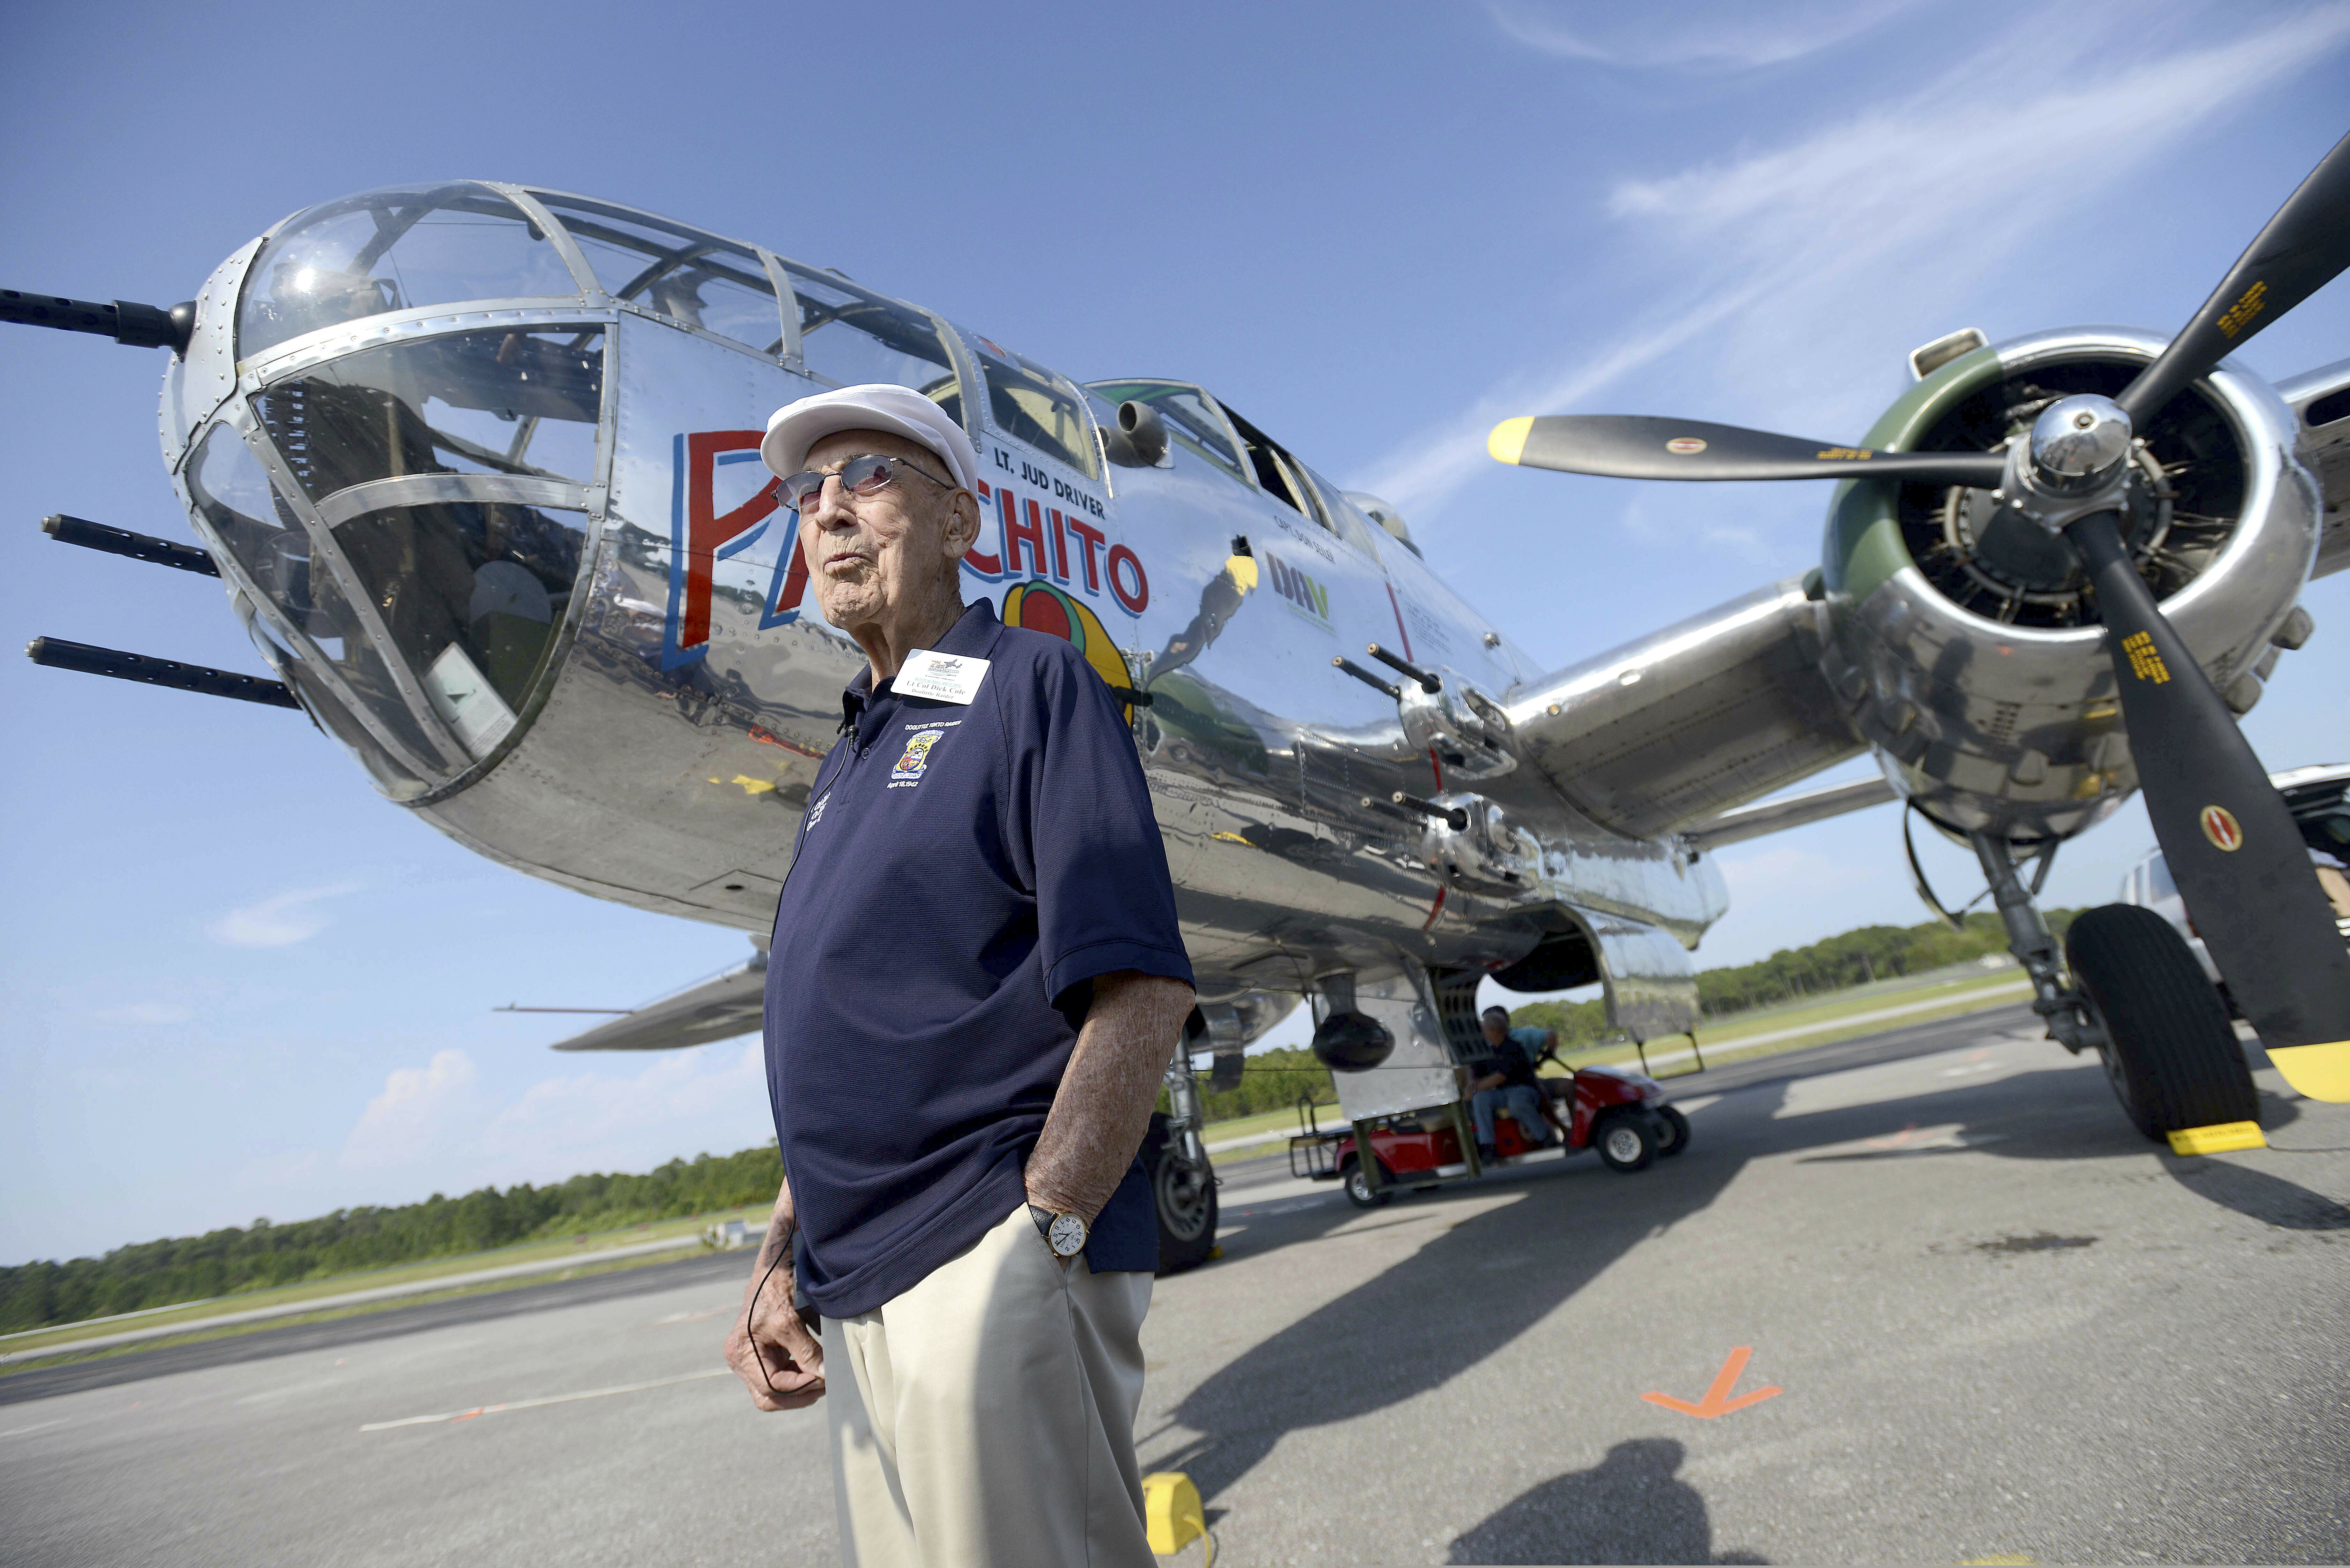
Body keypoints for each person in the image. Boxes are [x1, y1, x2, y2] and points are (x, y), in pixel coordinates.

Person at [721, 383, 1197, 1568]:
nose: (827, 511)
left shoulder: (1035, 684)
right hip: (853, 1285)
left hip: (979, 1255)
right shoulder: (850, 752)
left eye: (867, 477)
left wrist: (1044, 1227)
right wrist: (781, 1260)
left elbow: (1140, 980)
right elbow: (846, 1028)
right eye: (806, 493)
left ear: (958, 523)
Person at [1470, 1005, 1559, 1159]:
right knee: (1480, 1099)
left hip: (1524, 1089)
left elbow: (1501, 1076)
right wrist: (1472, 1083)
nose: (1483, 1032)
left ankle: (1545, 1138)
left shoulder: (1513, 1048)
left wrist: (1474, 1089)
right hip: (1502, 1093)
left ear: (1493, 1031)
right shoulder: (1489, 1050)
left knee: (1516, 1104)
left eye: (1485, 1029)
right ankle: (1488, 1147)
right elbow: (1475, 1069)